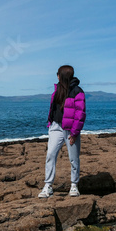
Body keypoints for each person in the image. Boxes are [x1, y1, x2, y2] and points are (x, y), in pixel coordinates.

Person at [38, 65, 86, 198]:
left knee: (73, 159)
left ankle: (74, 185)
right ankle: (48, 185)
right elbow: (53, 109)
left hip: (70, 130)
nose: (56, 76)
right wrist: (51, 123)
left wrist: (75, 133)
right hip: (55, 127)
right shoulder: (57, 90)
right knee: (50, 155)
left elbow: (80, 114)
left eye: (58, 74)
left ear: (62, 75)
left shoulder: (78, 91)